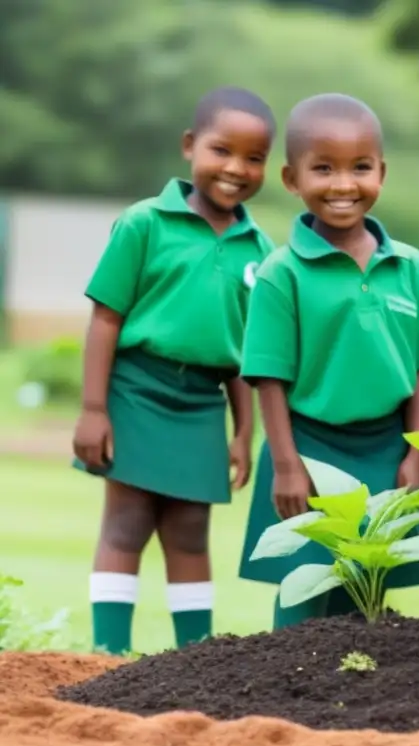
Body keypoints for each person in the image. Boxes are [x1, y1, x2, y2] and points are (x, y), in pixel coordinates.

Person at [72, 87, 277, 655]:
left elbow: (243, 357)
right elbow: (106, 319)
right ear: (190, 147)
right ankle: (108, 655)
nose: (236, 168)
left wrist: (244, 432)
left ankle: (194, 663)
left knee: (190, 531)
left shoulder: (260, 249)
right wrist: (93, 410)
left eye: (253, 157)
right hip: (135, 390)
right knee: (127, 522)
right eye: (221, 150)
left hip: (200, 404)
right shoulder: (144, 224)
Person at [237, 94, 419, 629]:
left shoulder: (411, 266)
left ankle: (353, 703)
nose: (343, 184)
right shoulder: (280, 272)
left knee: (368, 593)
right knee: (303, 588)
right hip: (308, 447)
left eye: (360, 168)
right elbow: (268, 378)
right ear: (291, 178)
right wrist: (286, 464)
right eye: (323, 168)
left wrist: (415, 453)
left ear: (382, 172)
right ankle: (284, 703)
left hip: (385, 451)